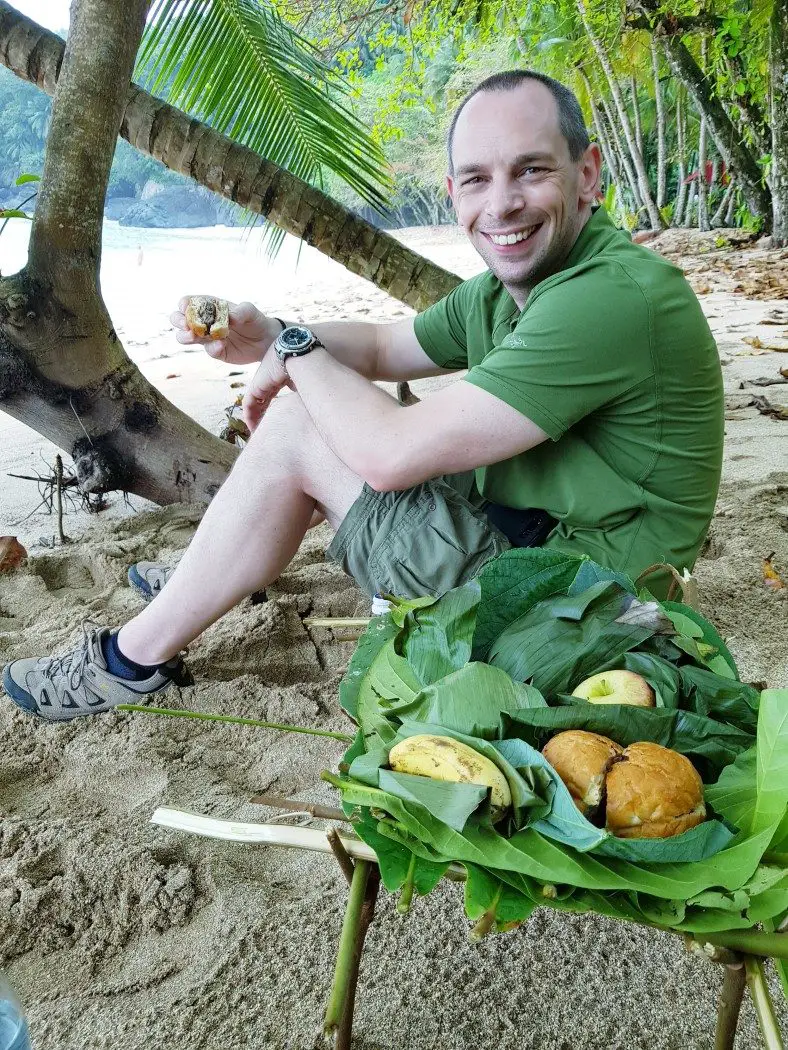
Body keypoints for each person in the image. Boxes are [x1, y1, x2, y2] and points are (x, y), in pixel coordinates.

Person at [1, 70, 723, 722]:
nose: (501, 203)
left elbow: (388, 456)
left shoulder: (607, 300)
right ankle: (210, 574)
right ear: (453, 193)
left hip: (583, 619)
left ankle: (129, 661)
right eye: (476, 179)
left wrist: (295, 357)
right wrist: (274, 332)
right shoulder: (515, 292)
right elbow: (382, 347)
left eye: (531, 171)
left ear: (587, 175)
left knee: (301, 427)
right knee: (317, 405)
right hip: (539, 555)